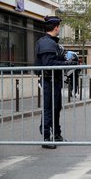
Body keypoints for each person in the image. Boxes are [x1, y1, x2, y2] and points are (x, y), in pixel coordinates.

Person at [35, 16, 78, 149]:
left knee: (56, 107)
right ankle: (47, 137)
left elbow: (56, 58)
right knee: (49, 108)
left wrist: (67, 59)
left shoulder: (51, 42)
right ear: (55, 27)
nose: (59, 28)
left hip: (55, 80)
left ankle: (57, 134)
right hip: (49, 80)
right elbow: (49, 63)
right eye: (59, 26)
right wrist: (66, 63)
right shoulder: (46, 43)